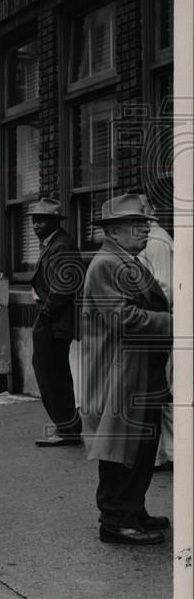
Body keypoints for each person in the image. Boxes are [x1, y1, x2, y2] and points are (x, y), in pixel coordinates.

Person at [80, 193, 172, 545]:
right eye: (137, 225)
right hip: (120, 372)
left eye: (145, 224)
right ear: (114, 231)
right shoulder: (108, 264)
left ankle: (133, 509)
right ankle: (115, 520)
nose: (145, 230)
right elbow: (124, 320)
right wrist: (174, 322)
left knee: (141, 447)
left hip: (139, 369)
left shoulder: (127, 260)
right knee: (121, 447)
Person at [28, 198, 85, 447]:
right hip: (52, 319)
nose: (35, 225)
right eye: (34, 220)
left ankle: (67, 429)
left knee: (53, 375)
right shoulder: (53, 242)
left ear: (54, 222)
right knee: (52, 373)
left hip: (54, 321)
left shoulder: (62, 245)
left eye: (41, 220)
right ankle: (67, 426)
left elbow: (63, 288)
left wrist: (46, 314)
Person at [135, 193, 174, 473]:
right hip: (157, 322)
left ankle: (172, 453)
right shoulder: (150, 240)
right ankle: (164, 453)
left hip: (163, 323)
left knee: (168, 390)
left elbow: (165, 287)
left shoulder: (156, 242)